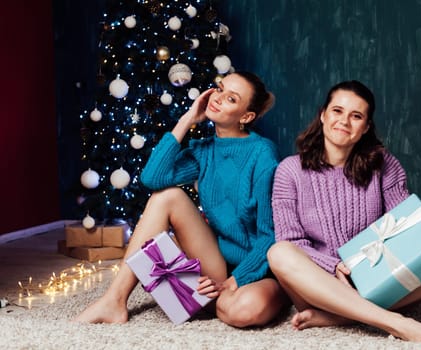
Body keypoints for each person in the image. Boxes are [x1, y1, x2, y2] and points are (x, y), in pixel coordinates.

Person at [74, 71, 288, 327]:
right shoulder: (204, 150)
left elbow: (271, 237)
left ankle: (214, 298)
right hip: (217, 263)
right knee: (167, 196)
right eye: (219, 89)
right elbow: (153, 178)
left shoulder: (263, 155)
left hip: (257, 269)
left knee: (242, 312)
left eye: (231, 99)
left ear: (246, 116)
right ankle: (114, 301)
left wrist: (232, 282)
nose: (218, 98)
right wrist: (187, 118)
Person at [267, 80, 421, 341]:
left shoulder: (383, 164)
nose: (344, 122)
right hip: (319, 283)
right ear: (323, 114)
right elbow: (291, 240)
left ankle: (338, 317)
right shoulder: (289, 170)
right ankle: (392, 321)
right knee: (279, 252)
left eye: (356, 116)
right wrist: (335, 265)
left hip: (374, 277)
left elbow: (404, 223)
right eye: (337, 111)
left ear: (366, 127)